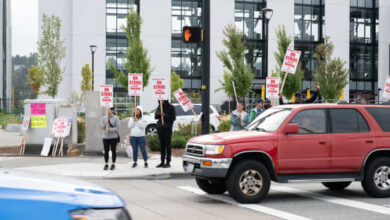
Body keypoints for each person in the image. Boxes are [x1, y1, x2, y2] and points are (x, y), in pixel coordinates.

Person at [155, 100, 176, 168]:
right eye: (159, 99)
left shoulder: (171, 107)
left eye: (162, 99)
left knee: (168, 145)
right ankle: (162, 161)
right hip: (160, 128)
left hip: (167, 128)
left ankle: (168, 162)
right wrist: (158, 114)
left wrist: (164, 115)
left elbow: (173, 118)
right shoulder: (159, 106)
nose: (160, 100)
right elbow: (155, 117)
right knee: (162, 145)